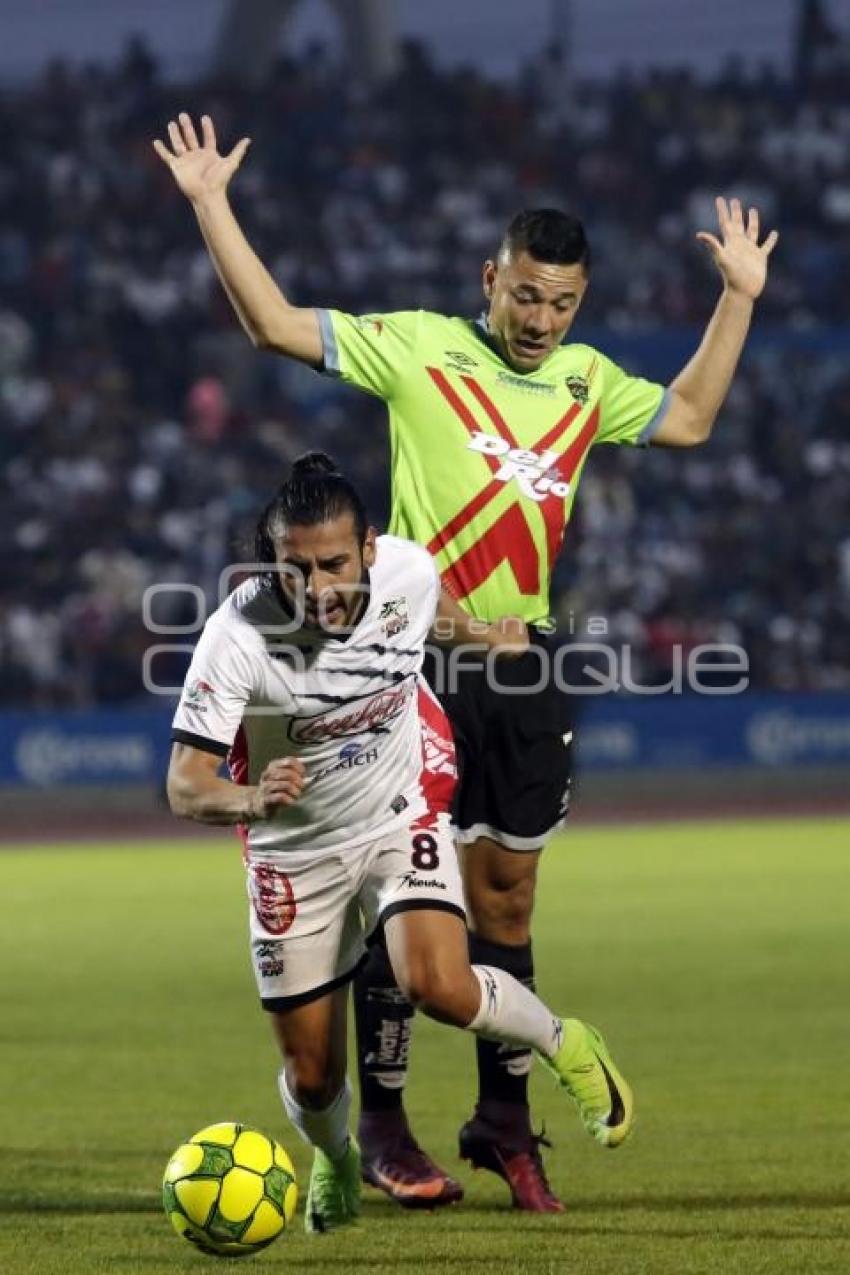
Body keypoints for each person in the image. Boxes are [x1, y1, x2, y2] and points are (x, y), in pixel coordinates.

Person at [154, 112, 778, 1211]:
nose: (540, 321)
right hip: (410, 661)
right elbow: (271, 323)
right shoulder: (420, 346)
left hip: (524, 664)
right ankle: (384, 1131)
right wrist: (211, 204)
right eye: (525, 295)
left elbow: (685, 416)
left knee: (509, 900)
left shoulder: (585, 381)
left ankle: (503, 1121)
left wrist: (738, 297)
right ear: (489, 277)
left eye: (562, 304)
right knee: (399, 907)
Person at [166, 452, 634, 1233]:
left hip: (398, 811)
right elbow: (186, 783)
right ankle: (338, 1154)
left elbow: (435, 612)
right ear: (271, 562)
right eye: (296, 568)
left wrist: (484, 635)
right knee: (312, 1076)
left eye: (334, 564)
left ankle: (567, 1041)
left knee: (438, 984)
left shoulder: (407, 573)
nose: (318, 587)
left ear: (370, 548)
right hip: (294, 852)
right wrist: (250, 796)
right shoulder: (236, 636)